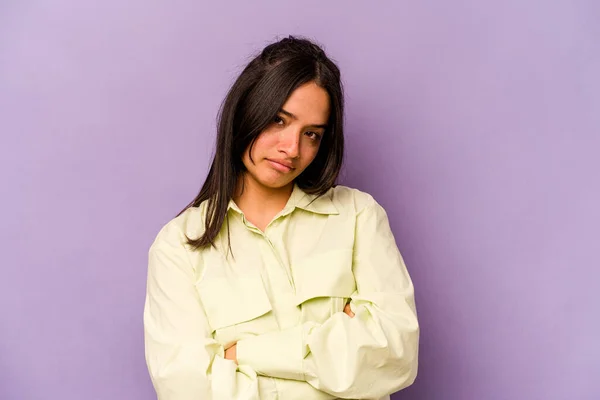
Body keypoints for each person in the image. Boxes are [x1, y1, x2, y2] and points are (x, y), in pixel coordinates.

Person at [143, 35, 419, 400]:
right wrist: (332, 358)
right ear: (246, 111)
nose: (292, 149)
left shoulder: (357, 217)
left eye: (312, 134)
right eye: (278, 120)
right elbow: (188, 390)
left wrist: (244, 354)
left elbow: (395, 355)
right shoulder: (178, 246)